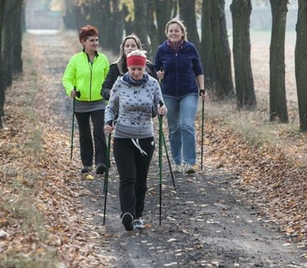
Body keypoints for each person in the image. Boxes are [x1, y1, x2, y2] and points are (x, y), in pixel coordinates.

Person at [104, 50, 167, 231]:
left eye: (139, 69)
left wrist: (162, 110)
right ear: (128, 67)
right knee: (127, 177)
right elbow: (111, 107)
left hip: (146, 136)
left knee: (141, 179)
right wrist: (108, 122)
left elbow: (160, 106)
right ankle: (127, 213)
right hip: (123, 135)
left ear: (144, 67)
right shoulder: (119, 84)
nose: (136, 73)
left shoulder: (153, 84)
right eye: (133, 69)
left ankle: (138, 215)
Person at [154, 18, 205, 174]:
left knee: (187, 125)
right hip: (168, 93)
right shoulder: (161, 50)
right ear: (167, 33)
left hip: (188, 91)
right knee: (174, 128)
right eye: (171, 31)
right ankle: (176, 162)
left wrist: (202, 89)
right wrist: (158, 76)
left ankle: (189, 162)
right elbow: (154, 73)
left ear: (182, 33)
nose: (174, 33)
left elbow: (198, 69)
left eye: (177, 30)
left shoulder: (190, 49)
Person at [62, 25, 110, 175]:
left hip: (99, 102)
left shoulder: (103, 59)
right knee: (84, 134)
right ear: (83, 42)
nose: (95, 43)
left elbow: (108, 79)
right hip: (81, 102)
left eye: (96, 40)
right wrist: (70, 90)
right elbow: (67, 78)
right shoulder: (75, 60)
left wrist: (109, 96)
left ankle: (101, 162)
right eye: (91, 40)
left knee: (98, 131)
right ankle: (87, 163)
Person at [101, 33, 157, 101]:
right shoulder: (115, 67)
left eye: (133, 46)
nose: (130, 48)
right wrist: (111, 92)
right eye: (127, 46)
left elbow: (156, 89)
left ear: (138, 48)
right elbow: (104, 90)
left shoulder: (149, 67)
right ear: (123, 49)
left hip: (144, 106)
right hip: (121, 107)